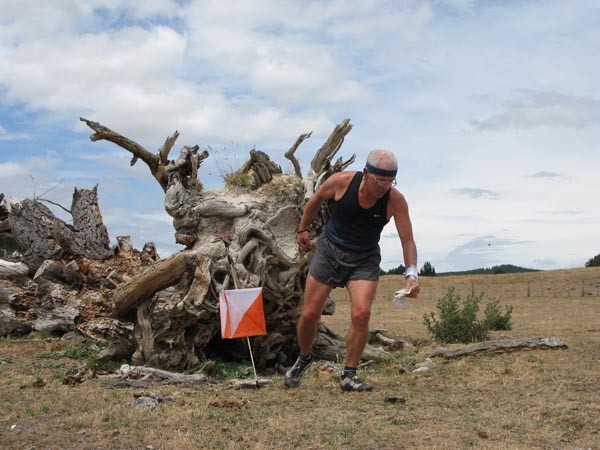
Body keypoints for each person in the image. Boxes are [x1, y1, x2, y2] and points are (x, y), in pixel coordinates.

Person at [284, 149, 420, 392]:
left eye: (390, 181)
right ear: (366, 173)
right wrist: (302, 229)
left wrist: (411, 274)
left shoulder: (395, 201)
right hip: (330, 250)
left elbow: (407, 240)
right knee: (309, 315)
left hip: (364, 257)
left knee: (361, 313)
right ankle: (304, 358)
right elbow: (315, 199)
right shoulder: (341, 182)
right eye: (380, 180)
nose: (384, 186)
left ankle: (349, 375)